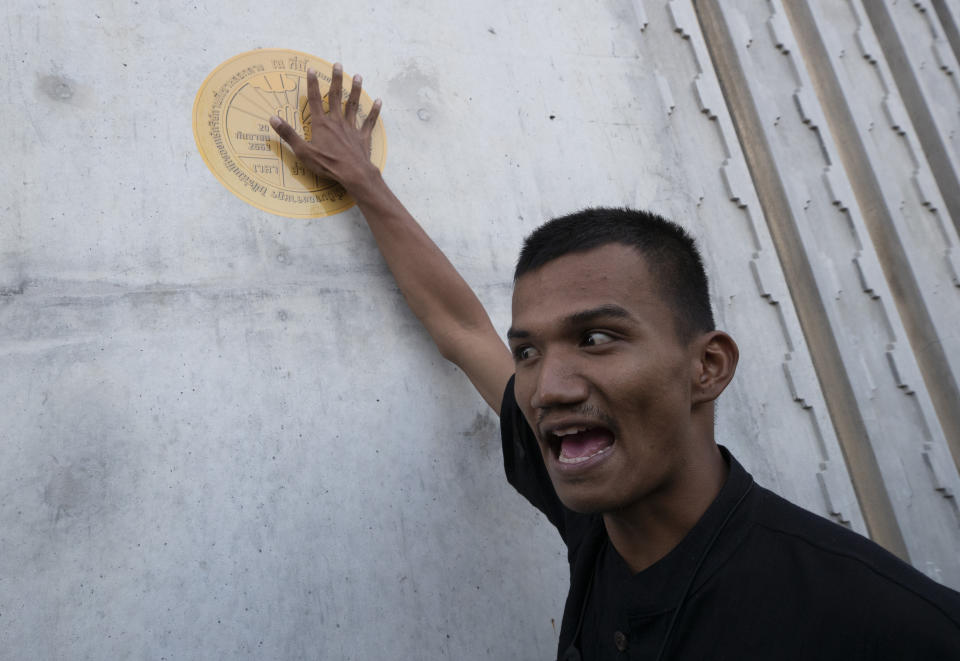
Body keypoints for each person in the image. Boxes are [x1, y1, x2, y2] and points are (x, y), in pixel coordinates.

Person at [270, 64, 960, 660]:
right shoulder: (596, 520)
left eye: (597, 338)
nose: (547, 389)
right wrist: (364, 182)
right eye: (530, 351)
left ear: (708, 366)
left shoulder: (880, 621)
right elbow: (461, 326)